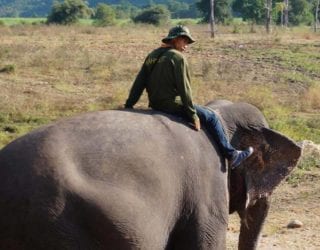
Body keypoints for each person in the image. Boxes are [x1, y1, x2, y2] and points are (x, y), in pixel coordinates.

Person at [124, 25, 253, 169]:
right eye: (185, 41)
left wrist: (129, 104)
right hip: (172, 104)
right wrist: (193, 115)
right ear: (176, 40)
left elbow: (139, 82)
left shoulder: (152, 56)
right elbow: (184, 89)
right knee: (211, 117)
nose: (186, 46)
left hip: (155, 103)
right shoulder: (178, 58)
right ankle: (231, 155)